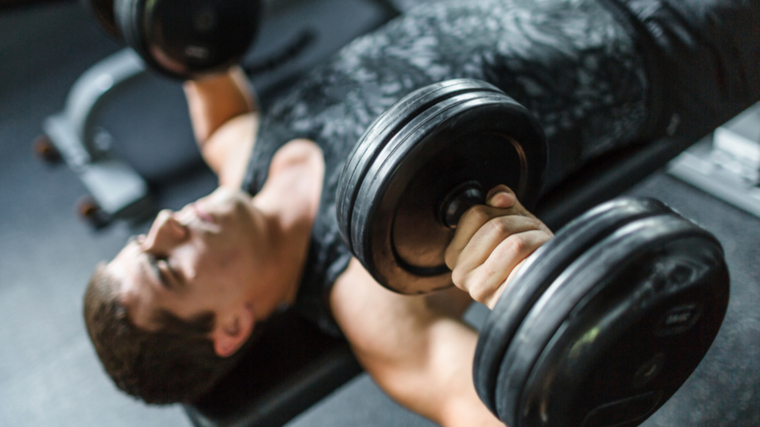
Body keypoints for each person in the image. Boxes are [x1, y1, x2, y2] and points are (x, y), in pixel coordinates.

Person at [83, 0, 759, 425]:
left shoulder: (237, 159)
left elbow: (203, 62)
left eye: (146, 234)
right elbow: (487, 402)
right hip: (671, 38)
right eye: (167, 266)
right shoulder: (373, 300)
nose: (169, 224)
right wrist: (525, 283)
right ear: (230, 326)